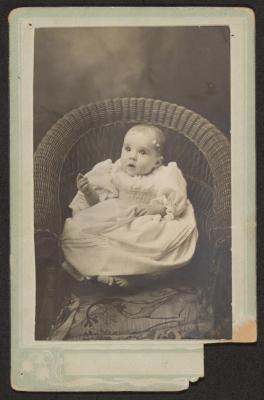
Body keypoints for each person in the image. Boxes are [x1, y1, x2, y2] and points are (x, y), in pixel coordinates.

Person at [61, 124, 198, 287]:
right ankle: (100, 270)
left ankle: (134, 277)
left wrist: (155, 208)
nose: (132, 157)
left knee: (151, 244)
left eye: (142, 152)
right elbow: (98, 206)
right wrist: (88, 191)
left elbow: (175, 204)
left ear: (157, 162)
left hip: (146, 223)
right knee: (80, 230)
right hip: (116, 215)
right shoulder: (114, 171)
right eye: (128, 149)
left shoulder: (165, 175)